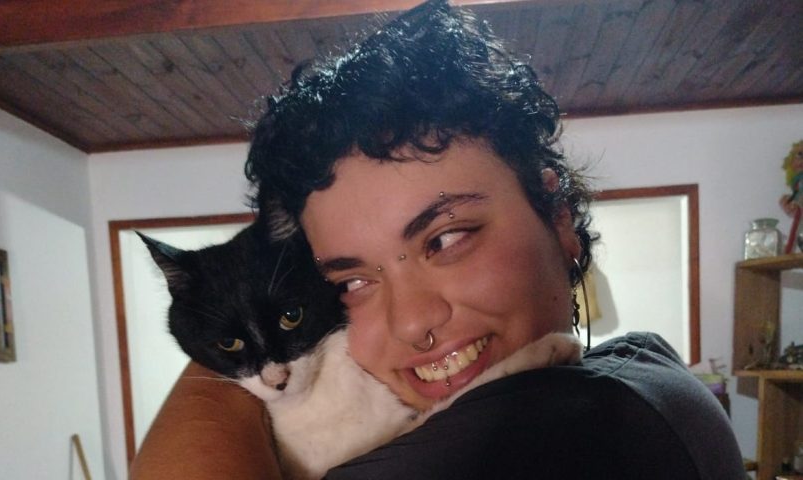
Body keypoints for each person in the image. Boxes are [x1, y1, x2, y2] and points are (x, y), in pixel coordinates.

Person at [131, 1, 744, 478]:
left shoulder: (580, 430)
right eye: (353, 280)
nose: (412, 322)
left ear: (557, 216)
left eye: (447, 240)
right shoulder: (644, 368)